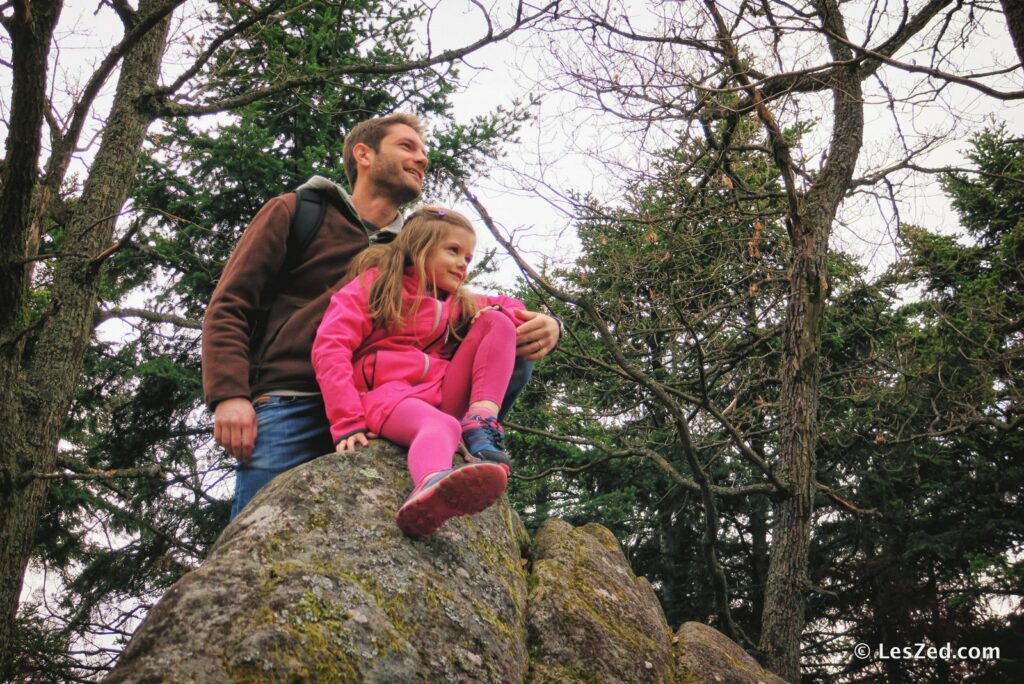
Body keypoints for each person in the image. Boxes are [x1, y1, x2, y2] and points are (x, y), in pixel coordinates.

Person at [202, 113, 560, 519]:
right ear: (363, 155)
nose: (423, 158)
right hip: (295, 399)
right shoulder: (299, 211)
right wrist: (229, 394)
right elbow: (231, 304)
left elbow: (459, 313)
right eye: (407, 146)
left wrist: (548, 325)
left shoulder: (418, 250)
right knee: (256, 531)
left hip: (394, 397)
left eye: (424, 151)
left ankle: (468, 435)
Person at [313, 207, 521, 537]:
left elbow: (511, 305)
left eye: (467, 258)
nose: (462, 265)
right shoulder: (376, 285)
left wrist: (546, 322)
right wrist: (346, 419)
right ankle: (430, 485)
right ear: (420, 247)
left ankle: (481, 422)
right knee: (440, 424)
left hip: (438, 391)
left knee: (497, 321)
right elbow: (330, 347)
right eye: (453, 251)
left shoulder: (458, 302)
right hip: (385, 396)